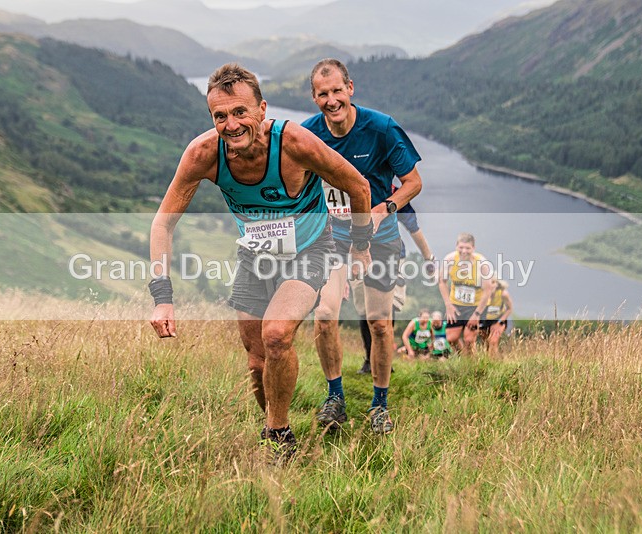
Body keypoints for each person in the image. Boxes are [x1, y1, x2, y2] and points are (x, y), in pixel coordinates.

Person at [148, 63, 372, 461]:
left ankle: (279, 437)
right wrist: (162, 297)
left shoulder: (295, 144)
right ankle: (274, 420)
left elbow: (358, 185)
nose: (231, 125)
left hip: (310, 249)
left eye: (240, 112)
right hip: (255, 256)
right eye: (220, 116)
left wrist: (359, 245)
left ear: (262, 110)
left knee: (276, 335)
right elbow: (163, 224)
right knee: (256, 363)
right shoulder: (204, 153)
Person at [302, 58, 423, 435]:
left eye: (337, 91)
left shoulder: (382, 128)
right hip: (331, 240)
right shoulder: (306, 135)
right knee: (324, 315)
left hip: (381, 240)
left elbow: (413, 183)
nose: (331, 100)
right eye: (323, 94)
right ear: (314, 97)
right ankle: (335, 398)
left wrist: (383, 209)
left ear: (350, 88)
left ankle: (379, 406)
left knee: (380, 325)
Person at [357, 187, 436, 374]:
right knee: (364, 308)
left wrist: (428, 258)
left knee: (388, 308)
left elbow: (413, 227)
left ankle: (383, 360)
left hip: (392, 256)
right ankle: (370, 359)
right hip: (361, 254)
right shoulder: (354, 187)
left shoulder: (393, 193)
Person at [438, 232, 494, 354]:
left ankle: (472, 365)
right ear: (456, 246)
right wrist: (448, 305)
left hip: (476, 305)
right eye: (461, 247)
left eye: (467, 248)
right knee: (451, 339)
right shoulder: (450, 260)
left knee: (469, 340)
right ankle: (464, 359)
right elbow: (442, 281)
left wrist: (477, 314)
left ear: (473, 248)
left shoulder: (482, 264)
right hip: (456, 304)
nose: (464, 251)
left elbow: (488, 289)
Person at [479, 277, 513, 356]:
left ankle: (494, 362)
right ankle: (491, 362)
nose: (491, 285)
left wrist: (500, 321)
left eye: (493, 282)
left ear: (497, 284)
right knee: (486, 343)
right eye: (488, 283)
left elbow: (509, 309)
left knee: (493, 341)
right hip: (484, 320)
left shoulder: (503, 294)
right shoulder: (480, 294)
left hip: (499, 319)